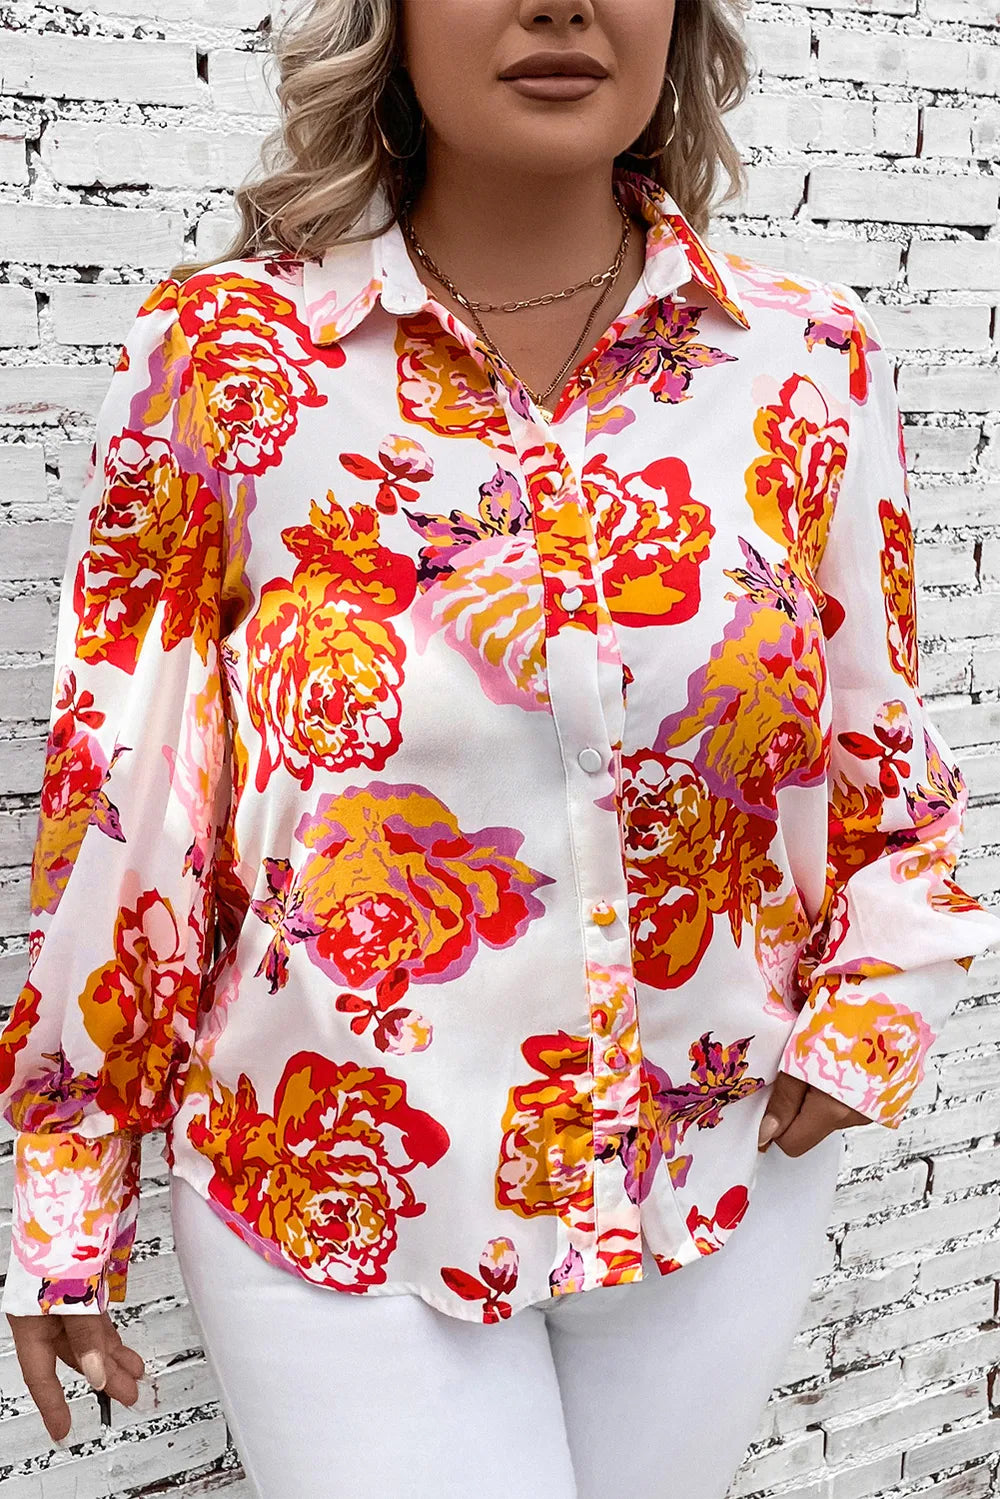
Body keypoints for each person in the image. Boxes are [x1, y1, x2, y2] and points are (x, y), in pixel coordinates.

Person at [4, 1, 1000, 1495]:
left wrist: (883, 996)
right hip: (333, 1190)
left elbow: (880, 739)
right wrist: (70, 1182)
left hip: (716, 1164)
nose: (559, 2)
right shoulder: (222, 361)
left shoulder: (809, 358)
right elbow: (127, 800)